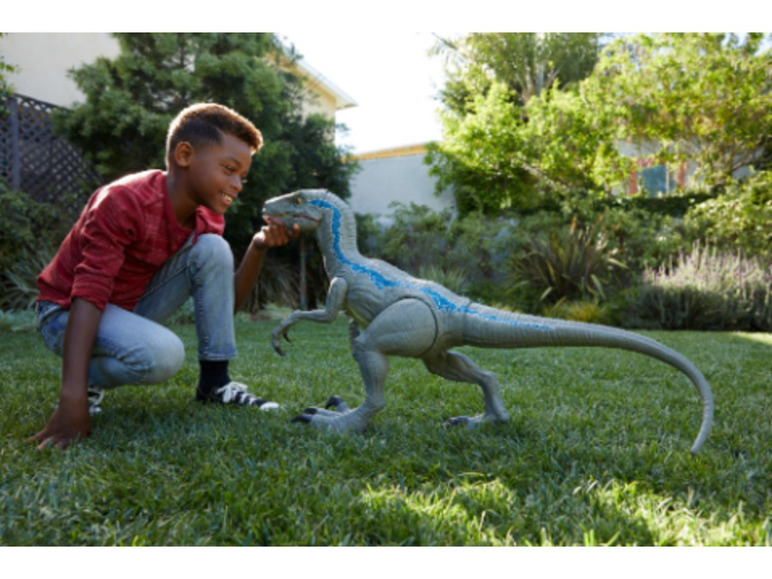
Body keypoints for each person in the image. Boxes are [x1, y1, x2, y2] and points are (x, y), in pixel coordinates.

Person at [29, 102, 299, 450]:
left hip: (123, 308)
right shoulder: (123, 201)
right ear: (184, 155)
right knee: (164, 355)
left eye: (242, 176)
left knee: (214, 248)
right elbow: (90, 291)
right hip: (65, 313)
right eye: (229, 169)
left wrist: (258, 247)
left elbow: (219, 310)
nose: (237, 184)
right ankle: (84, 383)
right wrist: (72, 398)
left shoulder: (207, 217)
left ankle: (214, 386)